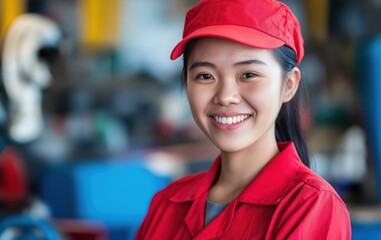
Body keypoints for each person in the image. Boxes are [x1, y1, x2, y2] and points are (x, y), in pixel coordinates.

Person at [135, 0, 351, 239]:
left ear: (289, 85)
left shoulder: (310, 206)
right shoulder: (167, 204)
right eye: (205, 76)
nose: (225, 96)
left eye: (248, 75)